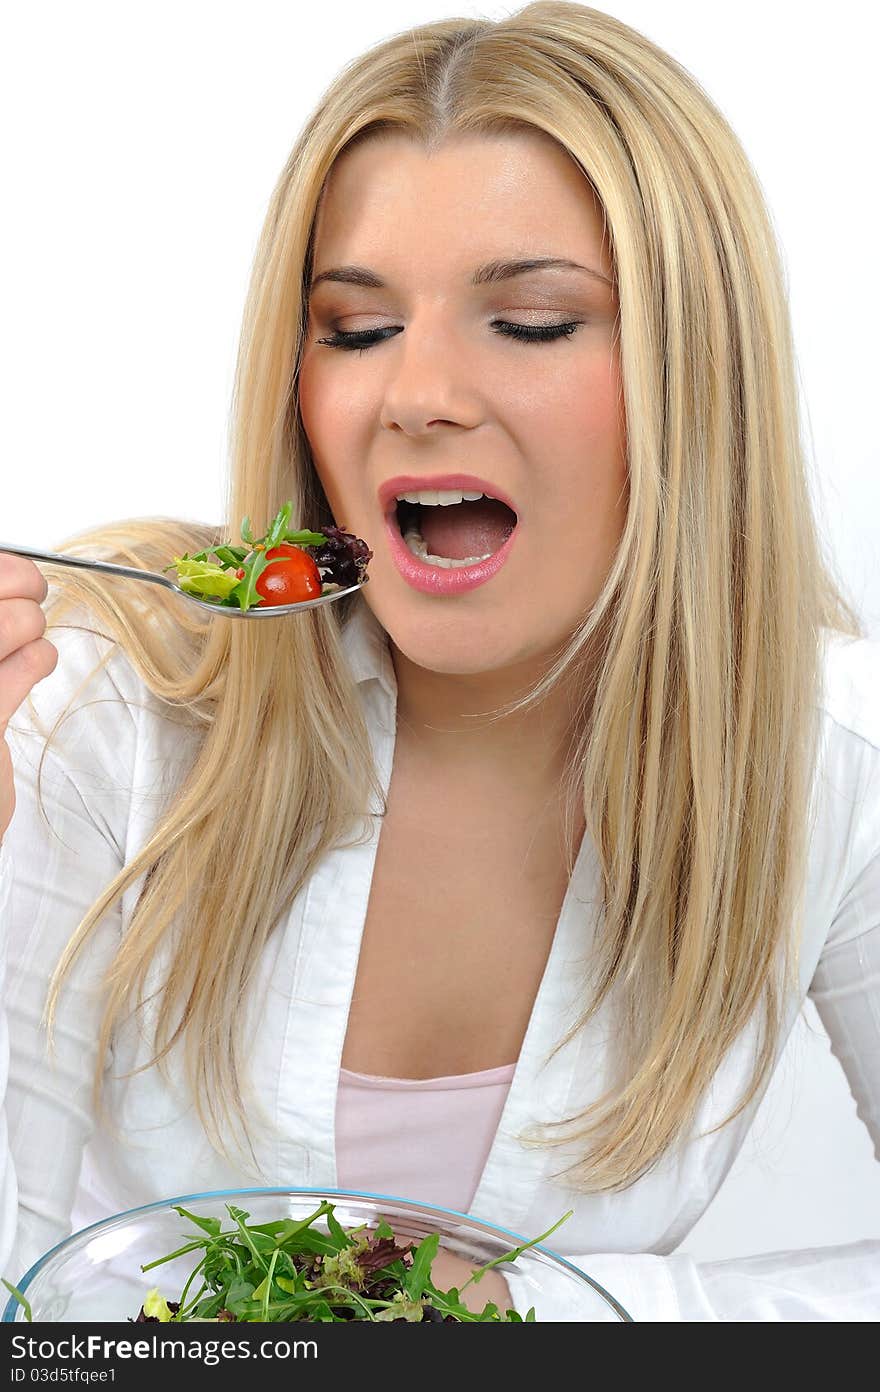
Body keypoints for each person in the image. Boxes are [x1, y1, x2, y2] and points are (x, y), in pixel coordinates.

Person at [1, 1, 878, 1322]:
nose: (415, 393)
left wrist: (530, 1311)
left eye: (529, 321)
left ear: (694, 380)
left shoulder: (834, 757)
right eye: (354, 329)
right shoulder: (104, 702)